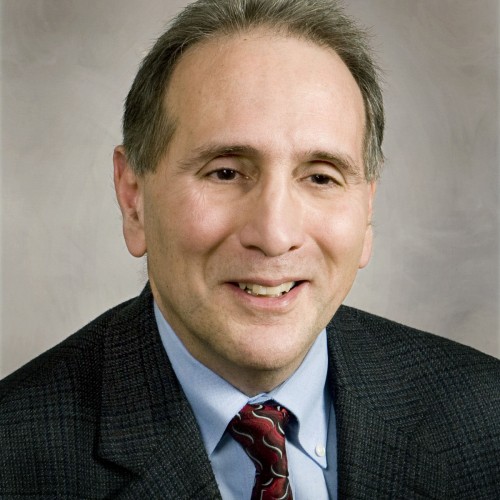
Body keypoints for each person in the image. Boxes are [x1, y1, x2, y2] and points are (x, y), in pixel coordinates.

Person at [1, 0, 499, 498]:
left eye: (320, 177)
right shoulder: (15, 458)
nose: (275, 234)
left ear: (367, 210)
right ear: (134, 199)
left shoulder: (484, 420)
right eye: (225, 172)